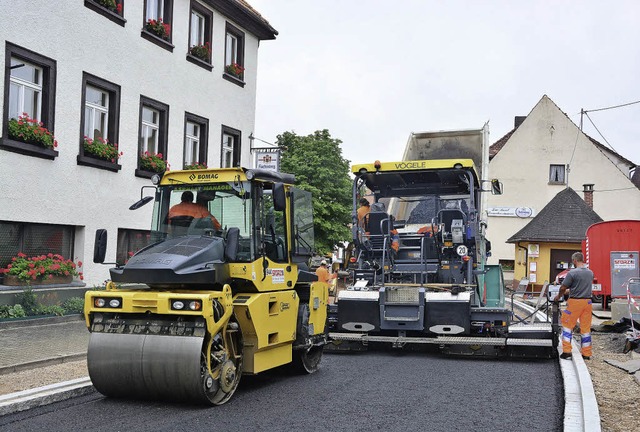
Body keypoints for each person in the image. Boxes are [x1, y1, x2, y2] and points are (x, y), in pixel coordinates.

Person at [553, 252, 594, 360]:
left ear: (574, 260)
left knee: (567, 325)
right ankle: (586, 353)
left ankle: (566, 352)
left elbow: (562, 288)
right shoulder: (590, 273)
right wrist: (569, 291)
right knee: (585, 328)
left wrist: (559, 296)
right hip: (588, 302)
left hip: (575, 303)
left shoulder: (572, 273)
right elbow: (579, 287)